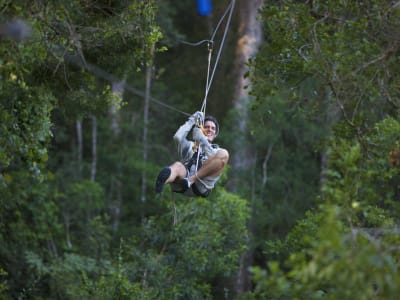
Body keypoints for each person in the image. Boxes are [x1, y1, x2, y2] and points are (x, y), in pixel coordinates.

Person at [155, 111, 229, 197]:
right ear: (201, 129)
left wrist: (203, 141)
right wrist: (191, 121)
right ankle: (163, 181)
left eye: (213, 128)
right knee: (178, 166)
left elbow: (214, 158)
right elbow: (177, 138)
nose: (210, 130)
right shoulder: (190, 146)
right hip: (183, 182)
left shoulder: (217, 151)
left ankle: (191, 180)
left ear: (215, 134)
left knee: (224, 153)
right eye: (207, 127)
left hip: (201, 185)